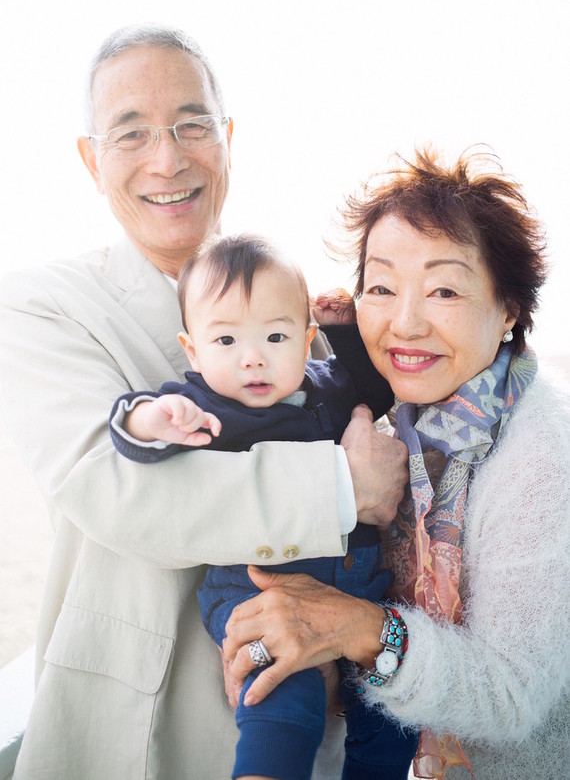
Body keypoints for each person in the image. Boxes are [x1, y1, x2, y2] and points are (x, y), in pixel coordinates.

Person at [0, 24, 409, 779]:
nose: (167, 159)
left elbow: (359, 421)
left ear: (228, 140)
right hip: (129, 737)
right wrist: (343, 485)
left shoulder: (285, 303)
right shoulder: (39, 306)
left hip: (300, 710)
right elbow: (116, 489)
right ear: (91, 160)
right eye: (132, 133)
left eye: (192, 126)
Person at [222, 148, 570, 780]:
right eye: (381, 288)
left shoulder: (541, 457)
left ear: (509, 310)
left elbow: (514, 696)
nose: (404, 323)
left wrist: (355, 628)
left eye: (444, 290)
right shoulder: (402, 429)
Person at [109, 233, 418, 780]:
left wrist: (346, 332)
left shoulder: (328, 385)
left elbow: (377, 390)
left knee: (394, 713)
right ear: (193, 350)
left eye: (276, 336)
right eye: (225, 340)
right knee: (285, 693)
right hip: (253, 593)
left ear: (306, 339)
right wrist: (153, 419)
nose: (252, 357)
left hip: (358, 591)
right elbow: (132, 437)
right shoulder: (204, 404)